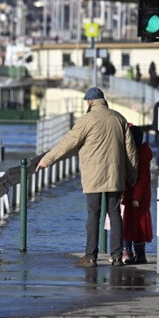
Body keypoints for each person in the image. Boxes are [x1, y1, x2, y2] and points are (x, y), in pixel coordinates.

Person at [36, 87, 138, 268]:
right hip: (116, 174)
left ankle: (90, 256)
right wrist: (132, 175)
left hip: (94, 176)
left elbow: (68, 143)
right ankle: (117, 256)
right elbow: (130, 152)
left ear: (90, 102)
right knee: (114, 214)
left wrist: (47, 160)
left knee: (94, 214)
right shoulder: (119, 118)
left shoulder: (86, 120)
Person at [121, 125, 153, 264]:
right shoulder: (143, 152)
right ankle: (138, 255)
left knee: (136, 227)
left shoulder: (138, 155)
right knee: (137, 227)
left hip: (136, 198)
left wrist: (135, 197)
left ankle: (139, 256)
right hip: (138, 197)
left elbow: (142, 178)